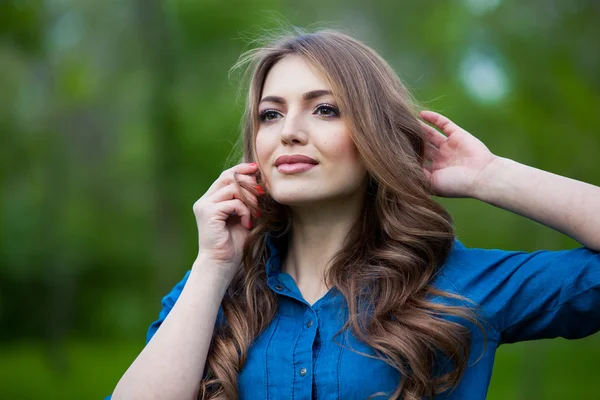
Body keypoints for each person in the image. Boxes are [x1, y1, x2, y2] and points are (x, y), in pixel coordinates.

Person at [106, 28, 600, 400]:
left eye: (324, 109)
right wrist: (213, 266)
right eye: (270, 114)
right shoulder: (212, 292)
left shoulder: (460, 285)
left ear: (373, 136)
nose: (289, 132)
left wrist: (491, 177)